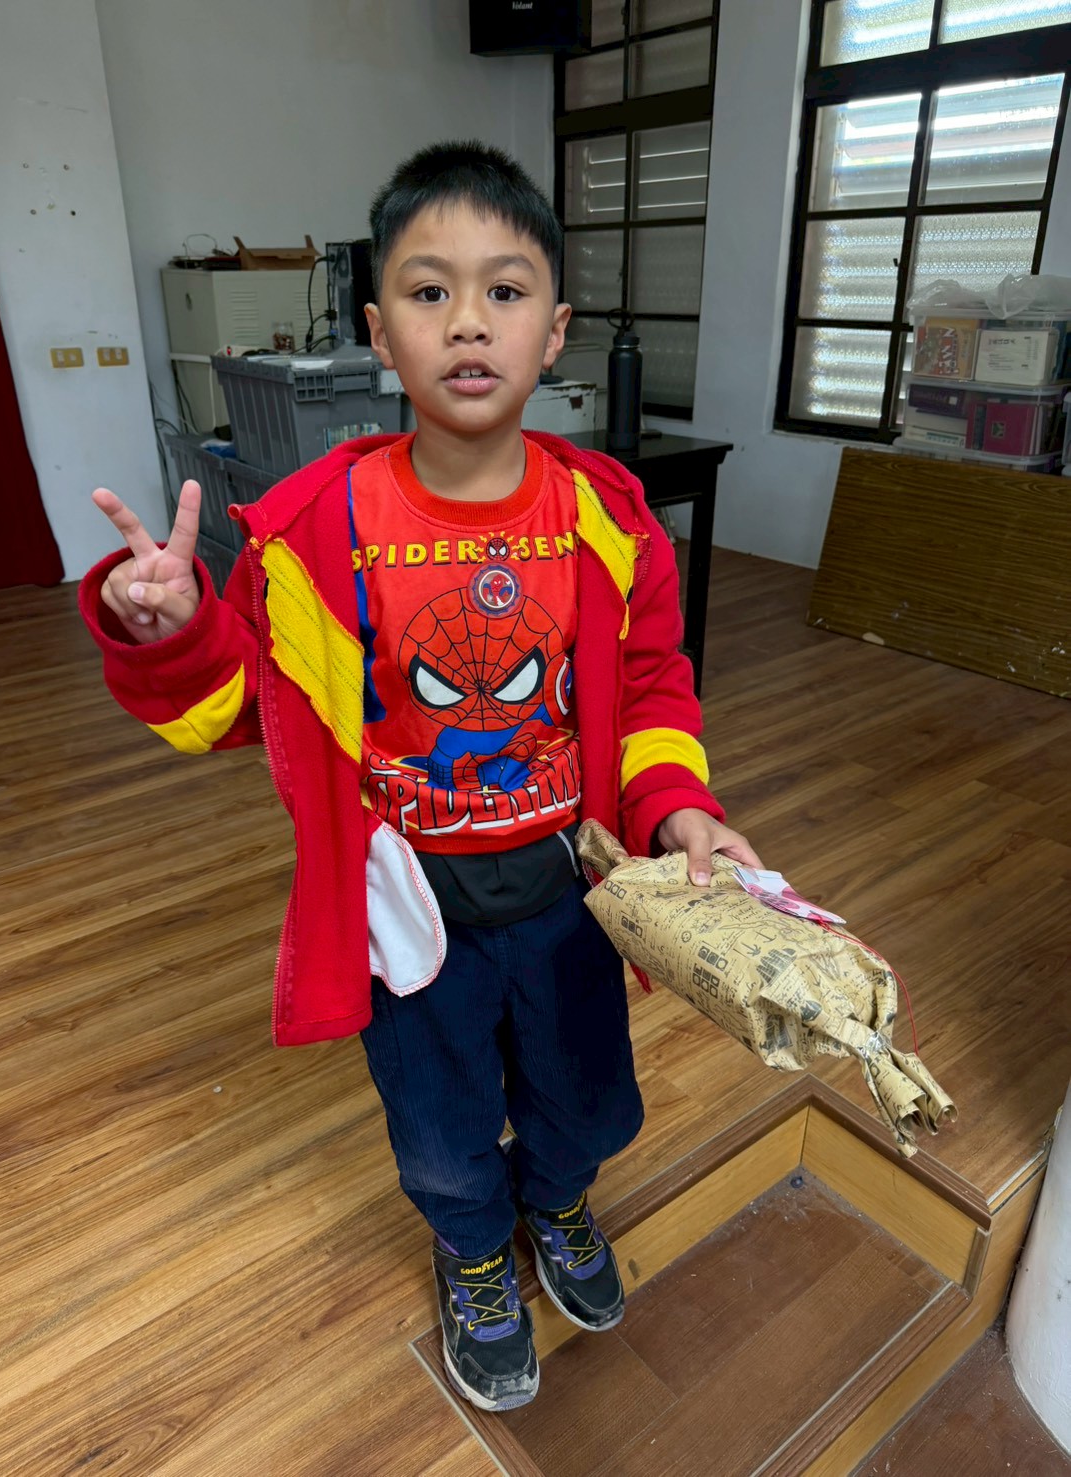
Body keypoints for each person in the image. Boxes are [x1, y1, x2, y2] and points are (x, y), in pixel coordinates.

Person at [79, 141, 761, 1413]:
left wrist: (678, 807)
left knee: (585, 1096)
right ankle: (473, 1253)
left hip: (567, 891)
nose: (468, 321)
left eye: (505, 291)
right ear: (377, 334)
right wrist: (171, 631)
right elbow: (237, 711)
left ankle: (558, 1202)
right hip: (406, 910)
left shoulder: (609, 518)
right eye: (428, 290)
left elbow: (653, 687)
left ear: (554, 332)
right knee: (440, 1126)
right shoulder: (313, 529)